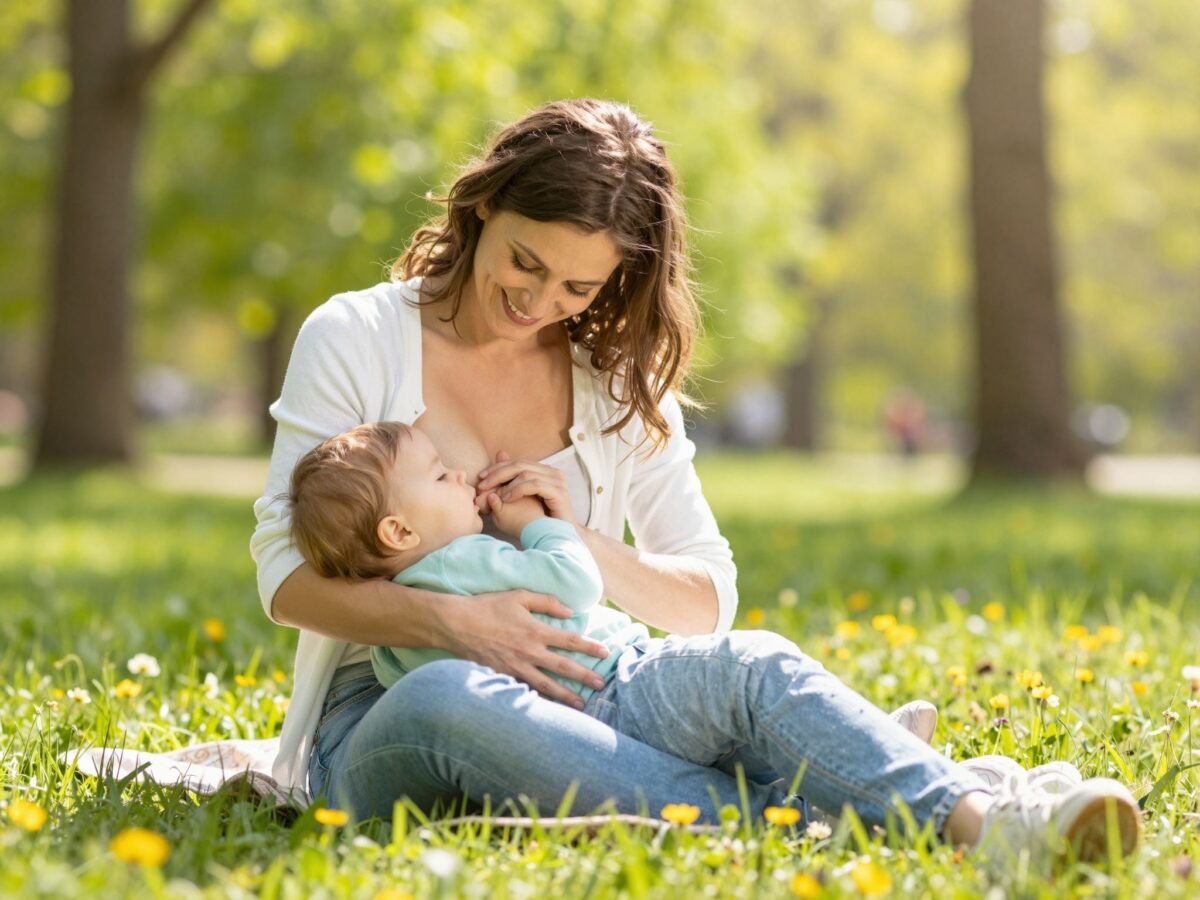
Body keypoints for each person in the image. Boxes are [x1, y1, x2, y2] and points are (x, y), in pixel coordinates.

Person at [251, 98, 1140, 864]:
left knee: (746, 664)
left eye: (575, 285)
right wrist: (456, 622)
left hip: (595, 685)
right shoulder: (358, 335)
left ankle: (984, 820)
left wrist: (577, 541)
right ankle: (835, 809)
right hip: (388, 716)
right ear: (483, 208)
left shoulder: (614, 382)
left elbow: (705, 600)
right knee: (450, 693)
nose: (536, 301)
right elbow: (286, 582)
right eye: (525, 261)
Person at [286, 420, 942, 738]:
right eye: (438, 476)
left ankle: (866, 744)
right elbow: (576, 587)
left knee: (734, 737)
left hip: (566, 718)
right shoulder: (471, 559)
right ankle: (871, 738)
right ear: (398, 533)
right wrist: (540, 526)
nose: (459, 476)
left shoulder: (388, 634)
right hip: (618, 677)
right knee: (749, 681)